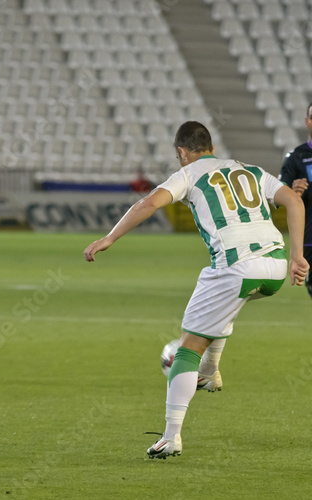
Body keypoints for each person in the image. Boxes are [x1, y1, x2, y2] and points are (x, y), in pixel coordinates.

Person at [84, 121, 309, 460]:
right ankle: (210, 374)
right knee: (222, 309)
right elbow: (293, 201)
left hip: (237, 267)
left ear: (182, 152)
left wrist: (109, 237)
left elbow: (148, 204)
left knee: (187, 347)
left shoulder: (188, 174)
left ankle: (171, 437)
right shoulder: (247, 169)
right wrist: (297, 257)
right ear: (212, 146)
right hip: (276, 267)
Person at [280, 102, 312, 299]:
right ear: (307, 121)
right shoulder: (296, 158)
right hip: (309, 238)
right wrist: (292, 193)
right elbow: (278, 195)